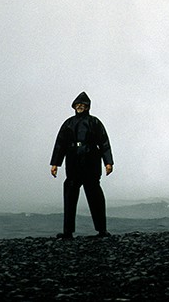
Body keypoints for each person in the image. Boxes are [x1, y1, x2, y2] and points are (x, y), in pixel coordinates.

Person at [50, 92, 114, 239]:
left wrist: (108, 162)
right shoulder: (68, 123)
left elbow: (104, 142)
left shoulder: (95, 122)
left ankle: (102, 230)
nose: (80, 107)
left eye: (83, 105)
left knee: (94, 194)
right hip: (73, 161)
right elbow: (60, 144)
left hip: (91, 160)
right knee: (70, 194)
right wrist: (55, 164)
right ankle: (68, 232)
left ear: (87, 107)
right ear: (74, 106)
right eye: (77, 104)